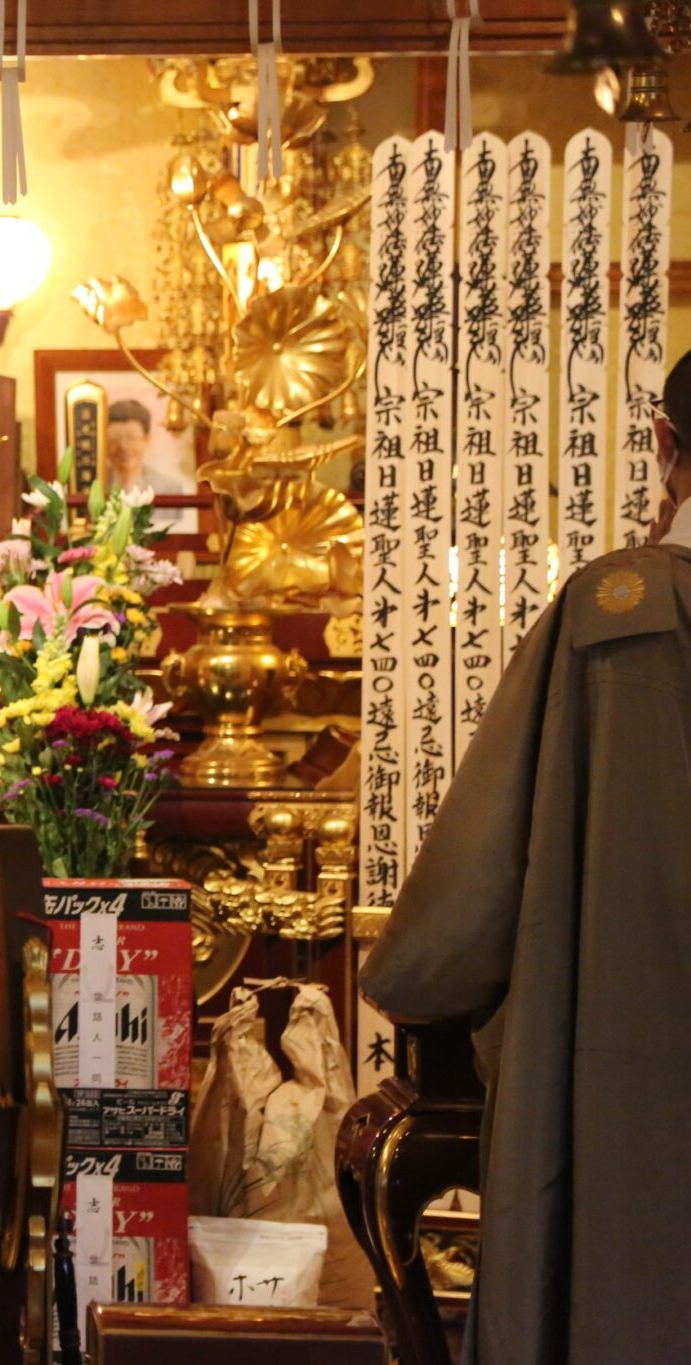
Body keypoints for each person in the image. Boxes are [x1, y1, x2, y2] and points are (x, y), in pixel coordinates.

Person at [359, 352, 691, 1365]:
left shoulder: (621, 616)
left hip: (640, 1073)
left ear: (664, 444)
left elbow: (473, 891)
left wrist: (408, 973)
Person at [105, 398, 194, 533]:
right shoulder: (92, 485)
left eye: (131, 438)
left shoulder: (170, 488)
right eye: (115, 438)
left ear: (147, 439)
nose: (123, 446)